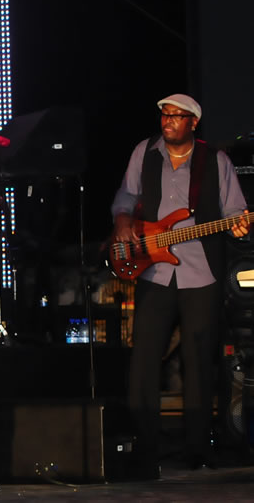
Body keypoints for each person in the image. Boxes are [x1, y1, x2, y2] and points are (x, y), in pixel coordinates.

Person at [111, 93, 248, 472]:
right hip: (153, 269)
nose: (167, 121)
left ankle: (197, 449)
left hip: (199, 270)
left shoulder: (215, 161)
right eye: (164, 115)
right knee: (144, 359)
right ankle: (145, 448)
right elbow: (126, 195)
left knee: (199, 360)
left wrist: (238, 225)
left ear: (193, 122)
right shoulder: (145, 152)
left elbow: (235, 210)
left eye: (176, 116)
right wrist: (123, 221)